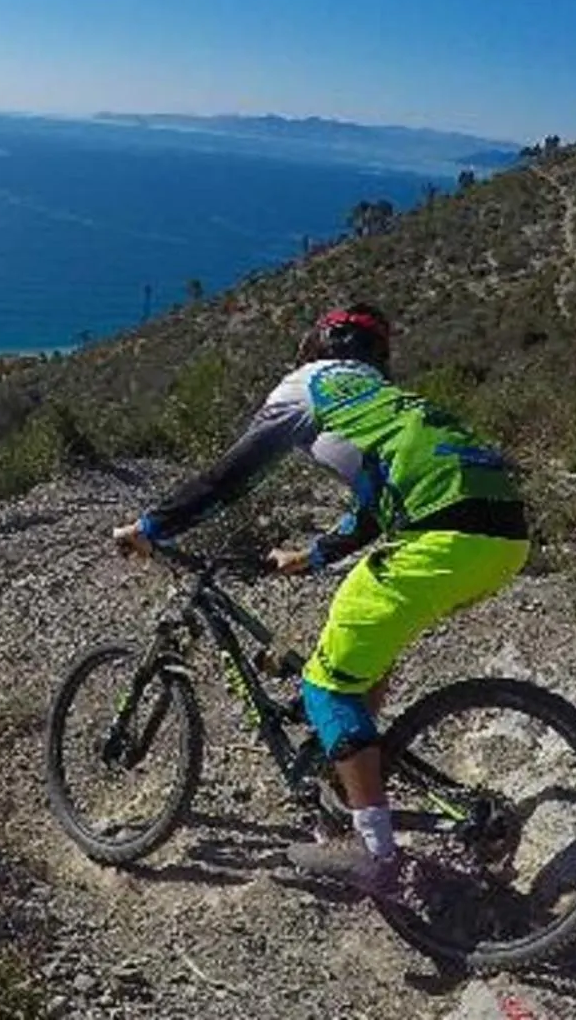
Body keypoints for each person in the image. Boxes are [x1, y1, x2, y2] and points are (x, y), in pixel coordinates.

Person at [111, 304, 528, 894]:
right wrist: (312, 555)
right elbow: (372, 505)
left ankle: (373, 851)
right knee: (363, 649)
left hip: (442, 534)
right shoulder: (387, 400)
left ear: (318, 344)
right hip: (504, 539)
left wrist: (151, 526)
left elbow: (232, 475)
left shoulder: (308, 384)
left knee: (325, 684)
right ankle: (353, 770)